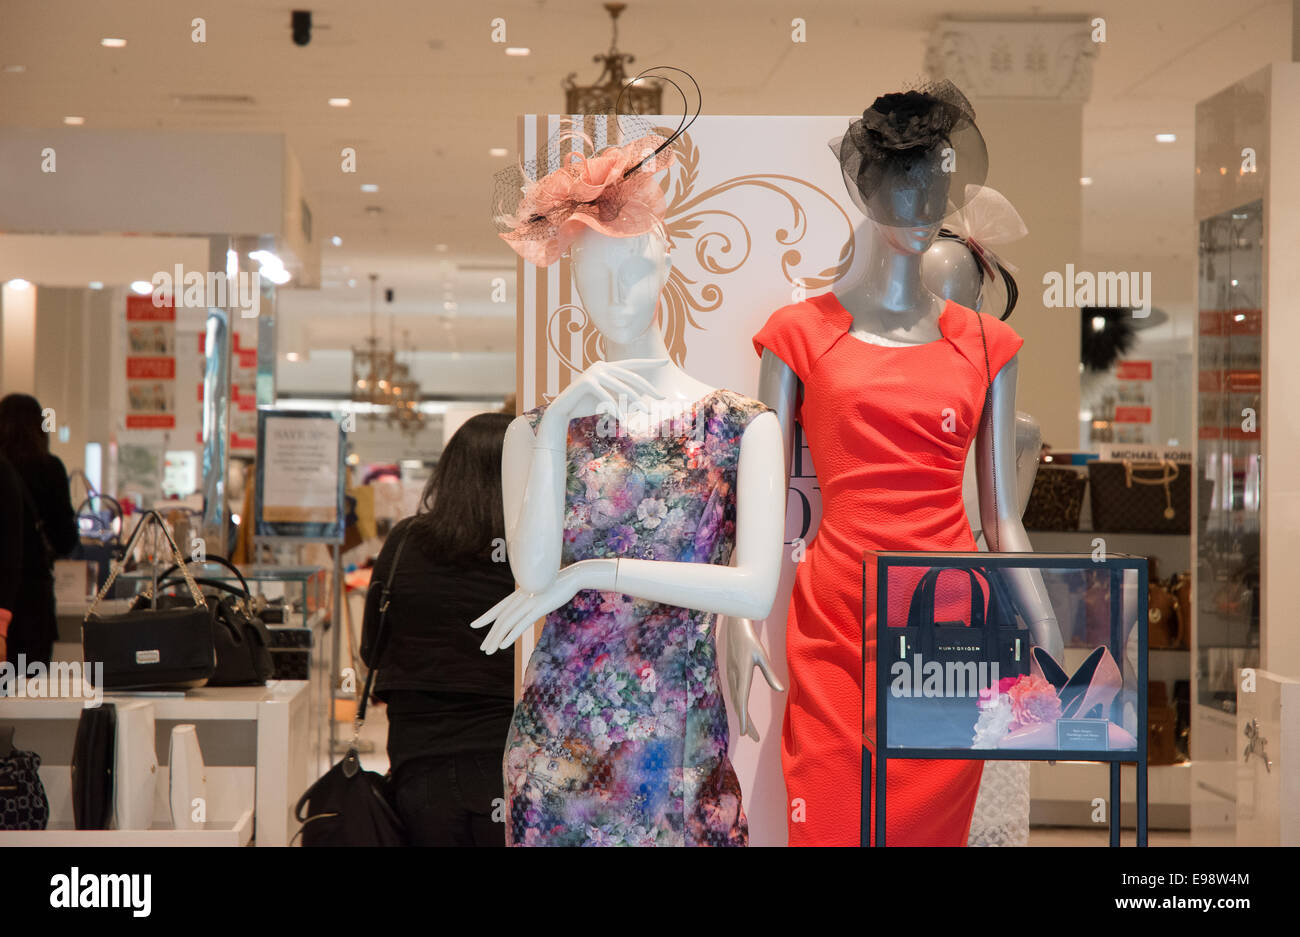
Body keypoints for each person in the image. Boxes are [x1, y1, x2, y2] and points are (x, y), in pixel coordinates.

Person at [359, 412, 516, 846]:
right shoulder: (531, 555)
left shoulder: (406, 540)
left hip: (418, 754)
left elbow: (373, 649)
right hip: (507, 752)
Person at [0, 394, 79, 668]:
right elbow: (66, 539)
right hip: (34, 600)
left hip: (2, 599)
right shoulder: (50, 468)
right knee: (30, 696)